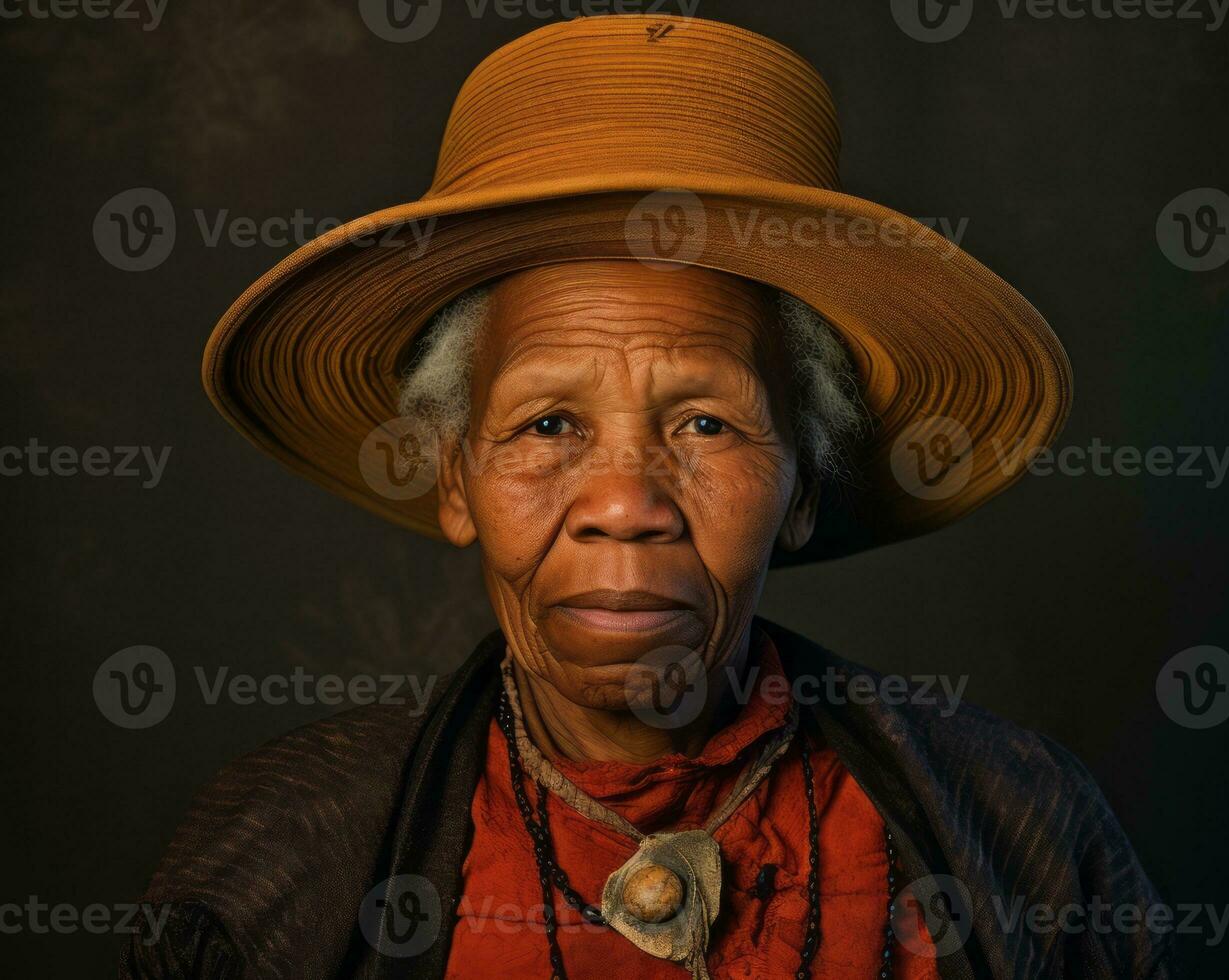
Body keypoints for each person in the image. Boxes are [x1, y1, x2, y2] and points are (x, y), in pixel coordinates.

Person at [124, 14, 1171, 979]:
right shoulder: (278, 853)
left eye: (704, 423)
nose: (624, 503)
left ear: (801, 481)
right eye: (547, 425)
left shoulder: (1018, 826)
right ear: (454, 479)